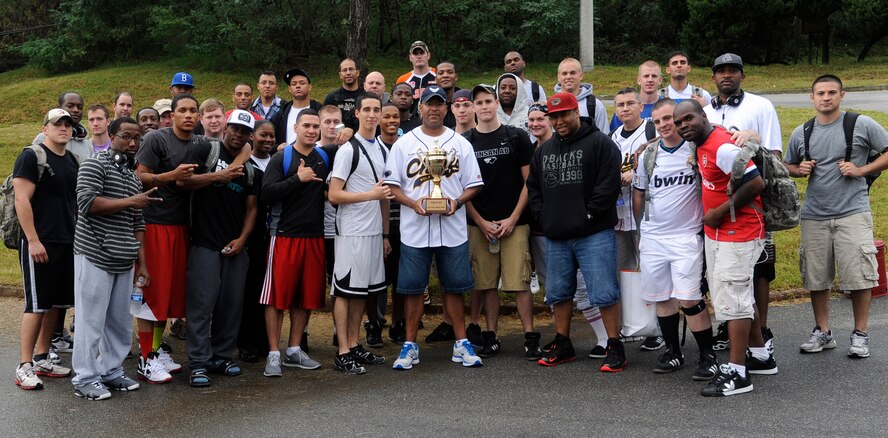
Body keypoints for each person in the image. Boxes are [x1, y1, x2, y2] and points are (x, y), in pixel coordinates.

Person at [133, 94, 249, 383]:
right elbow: (141, 177)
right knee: (153, 295)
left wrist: (240, 158)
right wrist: (171, 175)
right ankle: (146, 357)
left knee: (171, 297)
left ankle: (157, 351)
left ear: (199, 116)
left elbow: (244, 142)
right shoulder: (156, 139)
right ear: (171, 114)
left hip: (183, 227)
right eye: (182, 110)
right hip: (156, 222)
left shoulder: (200, 143)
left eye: (192, 111)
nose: (187, 115)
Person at [785, 74, 888, 358]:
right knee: (817, 278)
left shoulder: (860, 124)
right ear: (812, 97)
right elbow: (788, 164)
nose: (826, 97)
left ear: (842, 95)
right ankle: (822, 331)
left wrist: (861, 170)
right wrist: (798, 169)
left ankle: (860, 334)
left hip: (852, 211)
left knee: (859, 276)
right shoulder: (802, 131)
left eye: (832, 92)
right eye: (820, 93)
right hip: (814, 214)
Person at [383, 85, 485, 370]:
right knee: (413, 289)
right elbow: (392, 186)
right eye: (430, 103)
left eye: (440, 104)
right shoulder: (404, 143)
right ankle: (410, 344)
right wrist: (413, 203)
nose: (434, 109)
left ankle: (461, 343)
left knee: (454, 288)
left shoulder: (460, 142)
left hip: (451, 228)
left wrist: (457, 201)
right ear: (421, 108)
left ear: (446, 108)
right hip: (415, 228)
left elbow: (474, 184)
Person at [526, 92, 627, 371]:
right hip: (557, 234)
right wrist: (544, 217)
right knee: (558, 292)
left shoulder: (600, 143)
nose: (558, 121)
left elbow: (608, 184)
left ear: (576, 113)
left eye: (563, 115)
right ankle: (563, 342)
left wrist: (590, 213)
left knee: (603, 291)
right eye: (553, 116)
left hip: (593, 232)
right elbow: (533, 188)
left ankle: (614, 345)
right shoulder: (544, 150)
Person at [673, 99, 768, 396]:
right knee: (736, 294)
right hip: (720, 233)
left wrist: (720, 212)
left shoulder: (720, 146)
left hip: (738, 232)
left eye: (688, 118)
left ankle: (738, 373)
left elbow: (756, 184)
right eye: (678, 123)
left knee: (734, 301)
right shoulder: (701, 143)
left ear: (703, 116)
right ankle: (761, 356)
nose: (683, 125)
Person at [631, 99, 718, 379]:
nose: (665, 125)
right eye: (657, 122)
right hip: (654, 238)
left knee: (689, 298)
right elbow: (639, 193)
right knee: (662, 299)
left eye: (669, 118)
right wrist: (640, 229)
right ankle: (673, 352)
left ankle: (707, 355)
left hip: (685, 236)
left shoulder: (696, 146)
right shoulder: (649, 154)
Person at [703, 53, 781, 354]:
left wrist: (754, 138)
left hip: (753, 202)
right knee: (723, 272)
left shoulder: (761, 106)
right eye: (720, 71)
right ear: (713, 78)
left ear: (742, 76)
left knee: (759, 270)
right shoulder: (703, 110)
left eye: (733, 70)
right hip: (713, 203)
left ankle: (761, 332)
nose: (727, 75)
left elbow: (774, 155)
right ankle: (729, 326)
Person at [70, 117, 154, 399]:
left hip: (123, 258)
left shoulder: (132, 175)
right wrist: (132, 201)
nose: (132, 143)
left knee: (118, 322)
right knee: (90, 322)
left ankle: (111, 371)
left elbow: (138, 222)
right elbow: (87, 203)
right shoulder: (94, 164)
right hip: (94, 253)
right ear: (112, 136)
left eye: (137, 138)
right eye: (126, 137)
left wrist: (142, 263)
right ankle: (84, 378)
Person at [183, 110, 259, 387]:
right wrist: (218, 176)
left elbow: (252, 209)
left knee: (231, 305)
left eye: (244, 132)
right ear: (226, 128)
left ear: (249, 135)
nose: (238, 135)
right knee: (201, 305)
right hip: (203, 241)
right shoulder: (206, 150)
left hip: (235, 246)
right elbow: (183, 182)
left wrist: (243, 239)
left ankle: (222, 356)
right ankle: (199, 362)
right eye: (235, 129)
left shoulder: (249, 170)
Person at [463, 84, 537, 359]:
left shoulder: (516, 136)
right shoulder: (466, 141)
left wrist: (514, 217)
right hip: (480, 225)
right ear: (472, 108)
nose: (483, 106)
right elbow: (462, 189)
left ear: (496, 103)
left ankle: (530, 335)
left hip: (514, 222)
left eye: (487, 101)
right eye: (478, 102)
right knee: (485, 284)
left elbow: (529, 182)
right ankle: (491, 334)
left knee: (519, 282)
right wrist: (481, 222)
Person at [260, 108, 335, 377]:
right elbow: (266, 194)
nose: (312, 130)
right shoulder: (283, 157)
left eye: (316, 126)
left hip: (314, 237)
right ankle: (273, 353)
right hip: (283, 236)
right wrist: (297, 179)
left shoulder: (323, 156)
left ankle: (293, 350)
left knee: (305, 297)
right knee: (277, 298)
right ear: (296, 128)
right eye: (307, 126)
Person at [13, 108, 78, 390]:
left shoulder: (73, 160)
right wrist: (34, 239)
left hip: (66, 240)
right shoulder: (32, 156)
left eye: (68, 124)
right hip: (39, 241)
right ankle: (24, 365)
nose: (63, 128)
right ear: (45, 128)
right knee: (36, 304)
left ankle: (42, 357)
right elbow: (21, 199)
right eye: (57, 124)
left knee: (56, 303)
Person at [328, 93, 391, 374]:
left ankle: (354, 345)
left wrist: (386, 235)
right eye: (366, 109)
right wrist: (370, 194)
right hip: (351, 231)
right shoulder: (347, 150)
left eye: (376, 109)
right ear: (357, 113)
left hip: (373, 232)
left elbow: (385, 195)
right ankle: (342, 351)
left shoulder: (381, 147)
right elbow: (334, 194)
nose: (372, 114)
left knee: (360, 292)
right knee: (344, 292)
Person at [609, 88, 664, 351]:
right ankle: (634, 322)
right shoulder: (613, 137)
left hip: (647, 214)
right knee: (626, 271)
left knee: (650, 270)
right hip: (621, 214)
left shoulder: (652, 131)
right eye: (620, 104)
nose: (625, 108)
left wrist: (638, 174)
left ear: (641, 106)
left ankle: (658, 328)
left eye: (630, 103)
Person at [238, 119, 275, 362]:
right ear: (252, 136)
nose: (268, 139)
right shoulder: (244, 164)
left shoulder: (279, 162)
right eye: (263, 135)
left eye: (272, 135)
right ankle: (246, 342)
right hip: (250, 235)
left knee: (267, 292)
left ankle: (265, 341)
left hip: (273, 234)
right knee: (249, 291)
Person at [376, 103, 406, 342]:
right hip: (378, 221)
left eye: (395, 116)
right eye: (386, 116)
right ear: (378, 119)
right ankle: (374, 323)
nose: (391, 120)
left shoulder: (407, 146)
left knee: (400, 277)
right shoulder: (372, 146)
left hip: (405, 220)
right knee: (376, 278)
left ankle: (398, 321)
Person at [270, 68, 324, 146]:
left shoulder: (320, 110)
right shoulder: (281, 114)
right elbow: (270, 142)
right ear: (289, 88)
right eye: (294, 84)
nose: (298, 86)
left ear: (310, 87)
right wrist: (278, 147)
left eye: (302, 83)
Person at [554, 58, 609, 133]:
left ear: (581, 75)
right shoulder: (551, 106)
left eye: (573, 73)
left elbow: (604, 137)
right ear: (558, 77)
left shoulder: (595, 105)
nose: (568, 77)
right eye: (564, 73)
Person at [34, 92, 91, 163]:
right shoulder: (42, 139)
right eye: (70, 106)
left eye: (80, 107)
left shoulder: (87, 145)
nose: (76, 110)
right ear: (59, 108)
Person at [609, 61, 663, 131]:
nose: (650, 80)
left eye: (654, 76)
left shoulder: (667, 107)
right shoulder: (624, 108)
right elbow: (615, 137)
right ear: (639, 80)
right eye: (646, 76)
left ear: (660, 80)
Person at [323, 58, 364, 131]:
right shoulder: (332, 98)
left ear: (357, 73)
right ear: (340, 75)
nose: (348, 73)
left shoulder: (365, 97)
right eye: (344, 70)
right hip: (337, 139)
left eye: (351, 69)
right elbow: (323, 120)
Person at [396, 41, 437, 109]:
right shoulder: (402, 80)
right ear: (410, 57)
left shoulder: (439, 74)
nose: (419, 56)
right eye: (415, 53)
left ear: (428, 55)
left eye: (422, 53)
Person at [436, 62, 461, 129]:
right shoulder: (429, 103)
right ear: (435, 79)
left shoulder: (466, 100)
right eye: (441, 73)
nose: (445, 76)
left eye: (450, 72)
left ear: (456, 77)